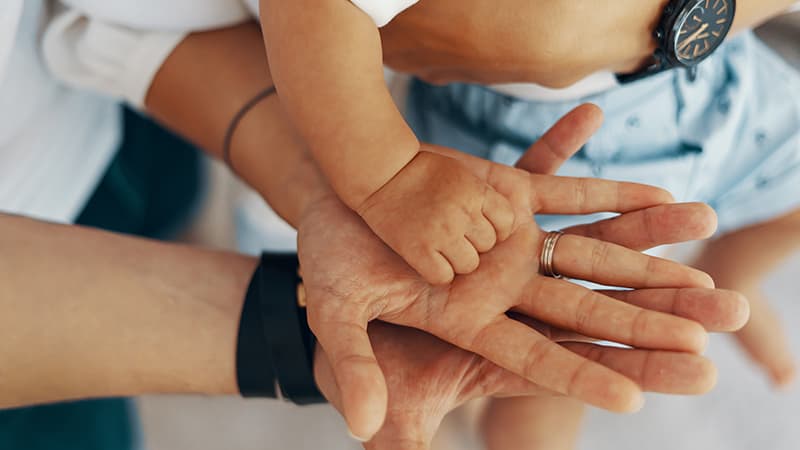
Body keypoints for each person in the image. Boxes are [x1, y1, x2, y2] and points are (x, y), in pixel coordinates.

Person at [1, 18, 749, 450]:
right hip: (34, 332)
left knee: (158, 189)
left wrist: (323, 188)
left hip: (98, 117)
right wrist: (386, 184)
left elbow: (113, 25)